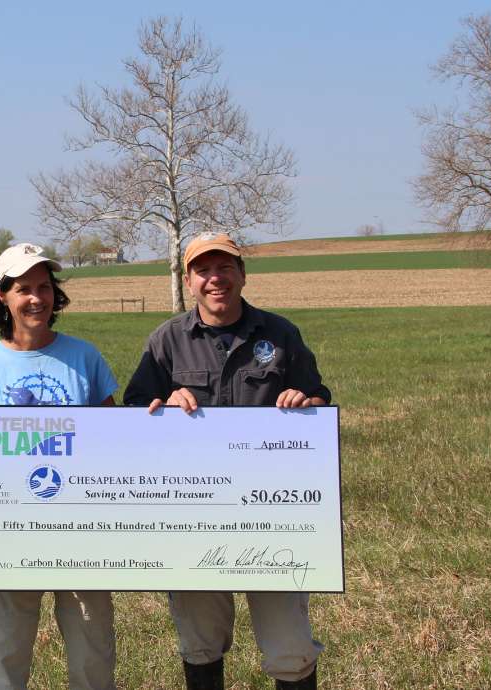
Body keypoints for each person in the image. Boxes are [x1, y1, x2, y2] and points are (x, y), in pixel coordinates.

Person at [123, 232, 329, 690]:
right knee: (200, 642)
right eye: (203, 270)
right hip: (192, 515)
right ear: (189, 280)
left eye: (225, 268)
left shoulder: (280, 334)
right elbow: (136, 409)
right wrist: (162, 403)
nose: (215, 279)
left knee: (290, 649)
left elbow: (318, 396)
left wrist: (304, 400)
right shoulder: (167, 340)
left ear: (241, 274)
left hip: (271, 515)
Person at [0, 243, 118, 690]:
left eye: (44, 287)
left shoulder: (85, 358)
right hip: (10, 534)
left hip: (82, 531)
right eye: (24, 288)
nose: (36, 298)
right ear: (2, 296)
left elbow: (119, 438)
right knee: (3, 656)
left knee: (92, 656)